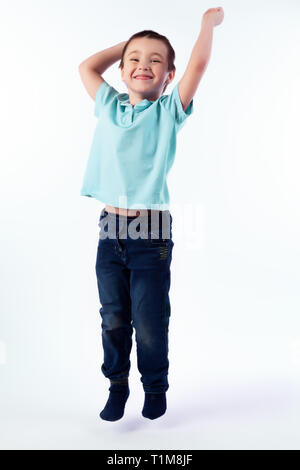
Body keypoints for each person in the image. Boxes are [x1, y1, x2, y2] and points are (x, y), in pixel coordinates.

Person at [78, 7, 224, 421]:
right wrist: (127, 46)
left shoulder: (167, 112)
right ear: (122, 72)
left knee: (149, 319)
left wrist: (206, 25)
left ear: (168, 77)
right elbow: (87, 67)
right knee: (113, 316)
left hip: (151, 229)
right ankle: (117, 385)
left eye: (155, 61)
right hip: (110, 228)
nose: (144, 65)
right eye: (134, 60)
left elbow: (197, 63)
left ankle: (155, 387)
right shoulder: (108, 105)